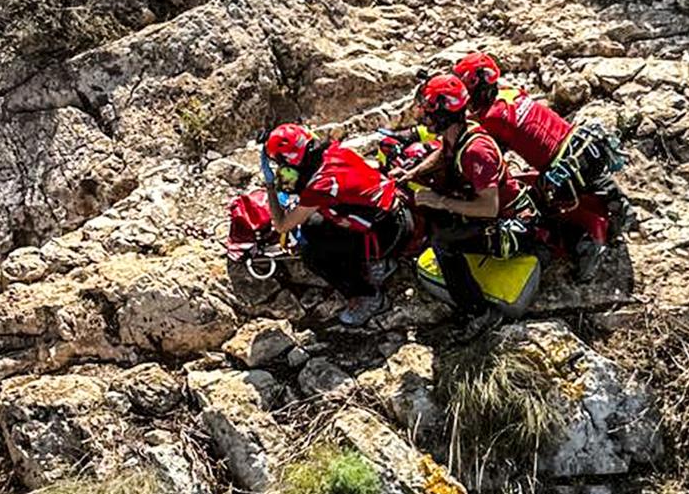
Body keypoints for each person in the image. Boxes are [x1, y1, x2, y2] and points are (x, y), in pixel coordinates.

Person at [452, 51, 628, 281]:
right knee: (551, 178)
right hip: (583, 146)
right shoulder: (511, 93)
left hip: (563, 169)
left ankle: (583, 242)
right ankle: (616, 205)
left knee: (531, 209)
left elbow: (480, 148)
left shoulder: (490, 118)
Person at [399, 75, 539, 333]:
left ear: (444, 114)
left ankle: (479, 312)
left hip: (514, 225)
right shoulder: (459, 133)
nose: (424, 116)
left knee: (444, 244)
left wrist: (440, 201)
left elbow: (488, 208)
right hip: (500, 214)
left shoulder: (476, 152)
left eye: (429, 111)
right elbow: (444, 154)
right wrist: (413, 173)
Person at [261, 123, 411, 327]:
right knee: (312, 225)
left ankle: (368, 296)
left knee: (312, 254)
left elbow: (282, 226)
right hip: (395, 216)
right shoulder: (335, 152)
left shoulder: (320, 187)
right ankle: (378, 263)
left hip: (388, 235)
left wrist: (270, 185)